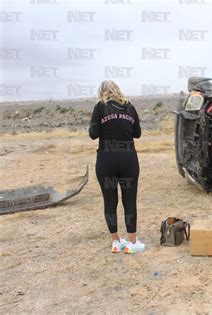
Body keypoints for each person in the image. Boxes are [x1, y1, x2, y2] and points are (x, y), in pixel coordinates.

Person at [89, 80, 145, 253]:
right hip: (127, 158)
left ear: (102, 92)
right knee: (129, 200)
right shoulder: (129, 107)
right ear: (118, 90)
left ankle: (116, 242)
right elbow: (137, 133)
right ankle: (132, 242)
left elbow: (93, 134)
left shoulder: (100, 107)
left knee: (109, 201)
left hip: (106, 159)